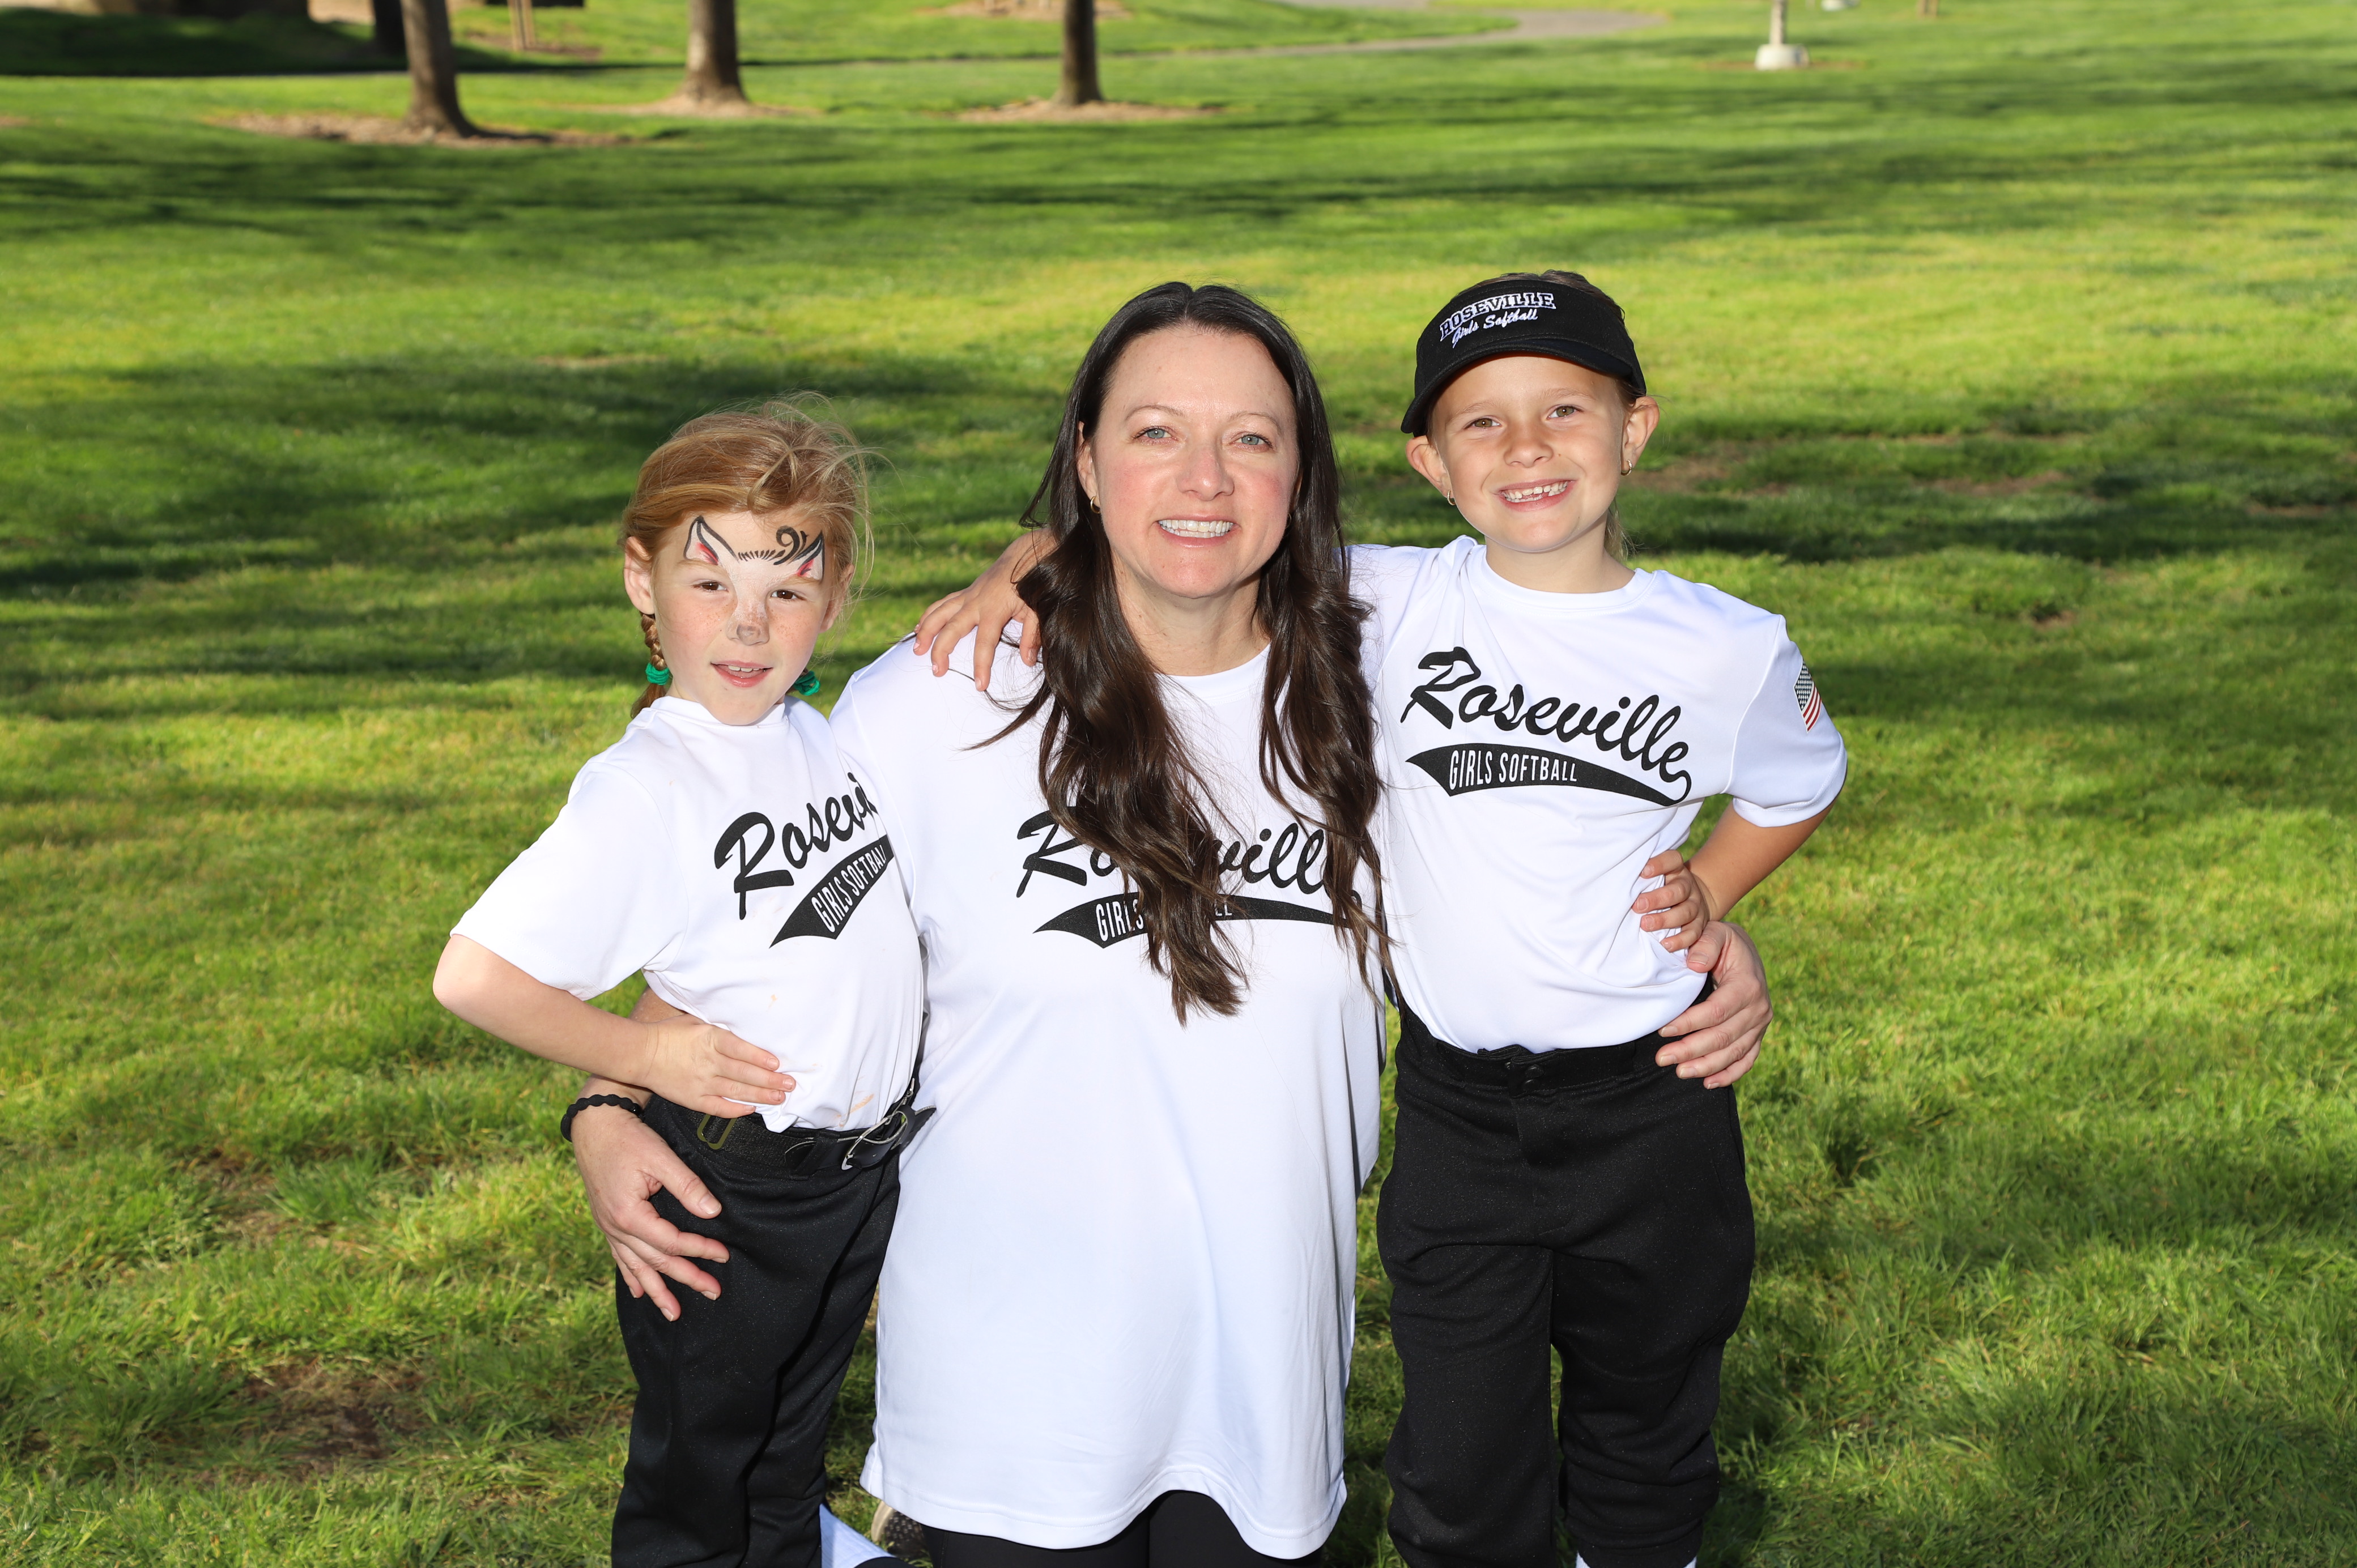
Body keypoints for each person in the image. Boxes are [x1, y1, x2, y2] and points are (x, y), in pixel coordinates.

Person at [572, 283, 1782, 1567]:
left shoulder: (1386, 670)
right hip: (1012, 1404)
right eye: (1154, 432)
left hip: (1265, 1395)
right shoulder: (946, 696)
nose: (1204, 477)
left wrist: (1697, 930)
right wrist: (608, 1098)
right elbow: (769, 920)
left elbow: (1552, 818)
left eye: (1250, 438)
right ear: (1085, 462)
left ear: (1301, 473)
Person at [926, 271, 1845, 1568]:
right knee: (1461, 1454)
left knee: (1648, 1407)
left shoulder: (1723, 644)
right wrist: (1022, 563)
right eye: (1481, 423)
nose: (1526, 450)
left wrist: (1716, 892)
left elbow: (1800, 779)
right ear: (1427, 459)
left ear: (1634, 428)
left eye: (1564, 411)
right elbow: (1183, 540)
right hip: (1462, 1108)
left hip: (1654, 1104)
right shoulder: (1388, 602)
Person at [431, 405, 926, 1568]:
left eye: (787, 589)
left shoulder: (814, 735)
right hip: (731, 1193)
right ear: (642, 584)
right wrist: (642, 1062)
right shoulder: (647, 786)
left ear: (834, 597)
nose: (748, 624)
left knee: (782, 1461)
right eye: (710, 585)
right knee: (699, 1482)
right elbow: (474, 975)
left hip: (848, 1179)